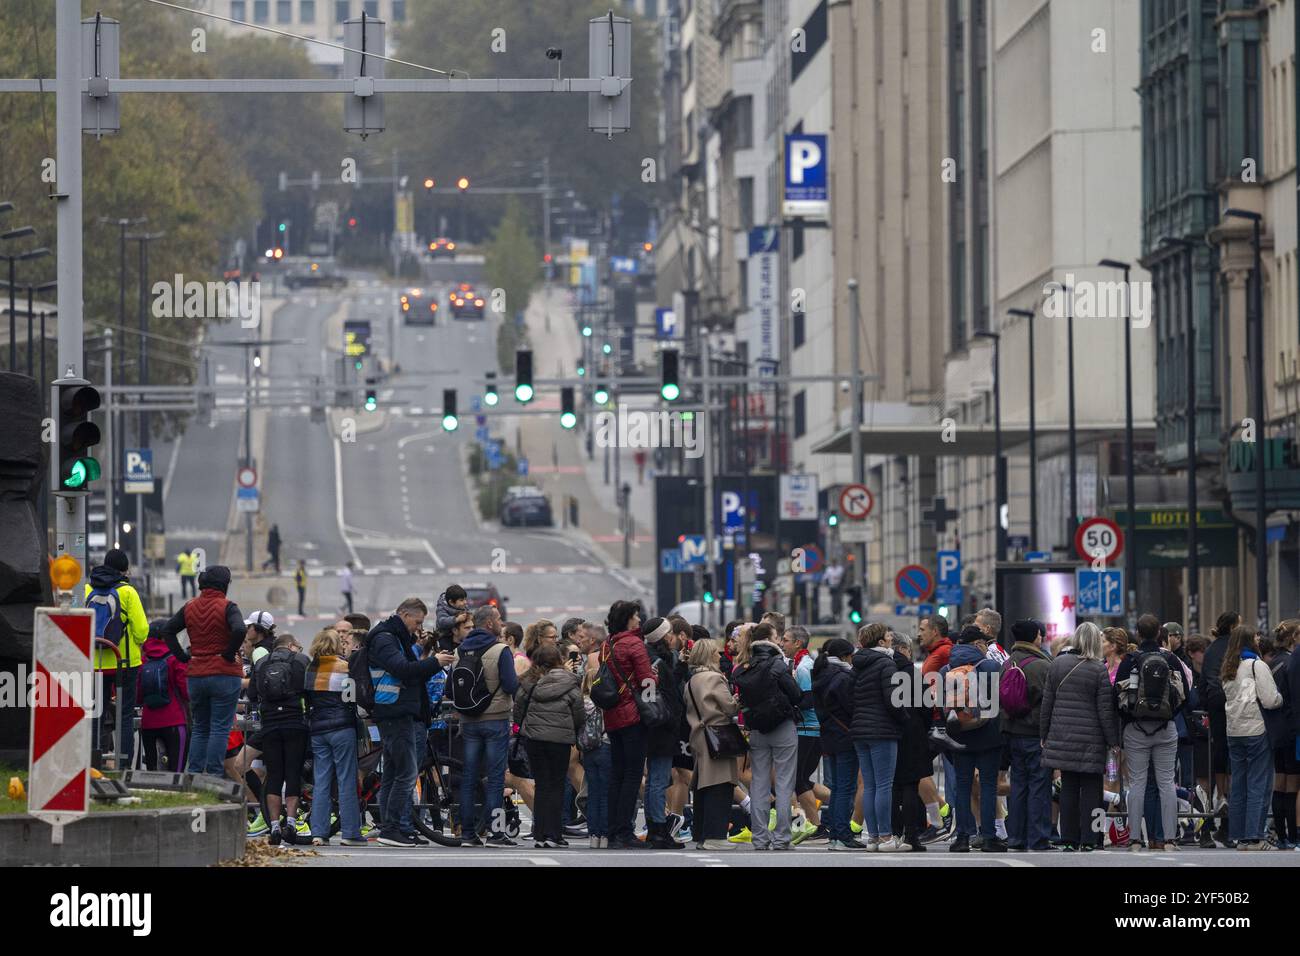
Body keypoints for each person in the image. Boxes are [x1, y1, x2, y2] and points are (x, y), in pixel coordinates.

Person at [367, 597, 445, 847]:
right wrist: (435, 662)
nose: (418, 627)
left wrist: (420, 649)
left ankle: (394, 827)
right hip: (393, 711)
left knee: (392, 773)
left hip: (398, 711)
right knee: (407, 772)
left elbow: (407, 666)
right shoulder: (384, 637)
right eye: (417, 622)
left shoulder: (396, 637)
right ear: (404, 614)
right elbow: (403, 669)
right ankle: (391, 829)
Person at [157, 565, 246, 776]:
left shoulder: (189, 607)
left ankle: (195, 774)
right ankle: (214, 776)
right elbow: (240, 629)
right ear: (224, 585)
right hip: (224, 674)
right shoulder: (228, 607)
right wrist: (228, 653)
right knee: (219, 728)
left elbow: (168, 630)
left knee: (200, 727)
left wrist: (182, 657)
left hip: (196, 674)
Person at [1041, 622, 1119, 851]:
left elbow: (1048, 704)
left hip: (1063, 735)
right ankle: (1090, 838)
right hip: (1091, 739)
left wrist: (1043, 734)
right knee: (1092, 790)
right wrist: (1112, 740)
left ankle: (1068, 839)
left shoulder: (1057, 664)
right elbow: (1105, 710)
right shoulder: (1098, 669)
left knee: (1068, 788)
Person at [1114, 613, 1187, 851]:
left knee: (1137, 784)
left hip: (1136, 729)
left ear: (1138, 633)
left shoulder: (1130, 660)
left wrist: (1130, 720)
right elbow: (1184, 693)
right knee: (1167, 782)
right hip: (1166, 729)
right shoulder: (1171, 659)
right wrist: (1169, 715)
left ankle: (1135, 838)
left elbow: (1118, 696)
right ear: (1159, 634)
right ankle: (1169, 839)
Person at [453, 603, 520, 847]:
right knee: (495, 779)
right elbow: (512, 685)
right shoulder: (500, 649)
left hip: (468, 721)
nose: (502, 624)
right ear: (489, 623)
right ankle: (495, 833)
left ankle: (467, 833)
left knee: (469, 777)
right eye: (499, 620)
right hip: (495, 721)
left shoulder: (460, 650)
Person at [733, 621, 802, 850]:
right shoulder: (777, 664)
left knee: (759, 784)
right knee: (783, 784)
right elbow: (796, 695)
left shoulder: (745, 665)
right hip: (782, 727)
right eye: (776, 637)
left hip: (757, 729)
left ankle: (760, 838)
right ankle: (782, 838)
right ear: (769, 640)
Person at [941, 623, 1005, 852]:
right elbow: (1001, 700)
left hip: (959, 736)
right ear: (978, 644)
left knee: (963, 786)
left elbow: (942, 707)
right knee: (988, 786)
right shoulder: (991, 666)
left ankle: (962, 838)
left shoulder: (946, 667)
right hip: (988, 735)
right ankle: (988, 837)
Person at [85, 548, 150, 770]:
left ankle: (94, 763)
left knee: (96, 715)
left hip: (95, 663)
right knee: (124, 715)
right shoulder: (128, 592)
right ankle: (123, 765)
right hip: (125, 663)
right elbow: (142, 630)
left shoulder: (86, 588)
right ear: (124, 570)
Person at [514, 643, 584, 848]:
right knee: (556, 786)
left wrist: (527, 726)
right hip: (560, 740)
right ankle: (554, 834)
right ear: (559, 661)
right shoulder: (569, 682)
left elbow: (518, 711)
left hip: (534, 740)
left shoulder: (528, 683)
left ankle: (540, 834)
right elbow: (579, 713)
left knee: (542, 785)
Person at [599, 600, 657, 849]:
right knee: (633, 774)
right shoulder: (634, 644)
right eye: (635, 616)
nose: (639, 620)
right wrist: (656, 679)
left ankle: (613, 830)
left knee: (617, 774)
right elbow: (646, 681)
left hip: (612, 716)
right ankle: (624, 830)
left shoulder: (607, 644)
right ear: (627, 619)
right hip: (633, 716)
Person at [1221, 624, 1284, 850]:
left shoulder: (1228, 667)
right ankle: (1255, 836)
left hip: (1234, 731)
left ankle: (1239, 836)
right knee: (1259, 784)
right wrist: (1280, 698)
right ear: (1250, 641)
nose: (1259, 639)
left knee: (1238, 785)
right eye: (1256, 637)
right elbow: (1269, 699)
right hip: (1257, 729)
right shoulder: (1257, 665)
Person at [305, 627, 366, 847]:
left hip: (318, 730)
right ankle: (350, 832)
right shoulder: (345, 667)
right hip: (342, 728)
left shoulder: (311, 668)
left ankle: (319, 833)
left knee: (321, 781)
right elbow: (352, 699)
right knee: (346, 780)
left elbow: (308, 699)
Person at [849, 623, 908, 852]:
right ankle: (885, 837)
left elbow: (849, 696)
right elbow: (894, 700)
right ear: (880, 643)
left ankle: (872, 837)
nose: (891, 640)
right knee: (884, 785)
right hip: (882, 730)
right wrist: (904, 718)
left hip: (859, 730)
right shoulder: (886, 663)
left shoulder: (857, 665)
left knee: (871, 785)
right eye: (888, 637)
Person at [684, 638, 742, 851]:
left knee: (703, 787)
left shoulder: (692, 680)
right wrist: (738, 698)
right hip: (718, 736)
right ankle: (715, 836)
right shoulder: (715, 679)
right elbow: (730, 708)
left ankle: (700, 833)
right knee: (721, 785)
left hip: (699, 736)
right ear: (709, 655)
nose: (721, 655)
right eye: (717, 652)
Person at [1002, 619, 1054, 852]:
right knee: (1039, 787)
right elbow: (1049, 703)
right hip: (1035, 734)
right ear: (1035, 637)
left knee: (1019, 786)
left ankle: (1016, 837)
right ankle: (1038, 838)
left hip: (1013, 733)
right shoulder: (1042, 666)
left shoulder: (1006, 663)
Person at [254, 633, 310, 845]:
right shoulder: (301, 661)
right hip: (295, 723)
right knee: (293, 773)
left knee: (275, 775)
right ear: (290, 645)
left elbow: (253, 693)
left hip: (269, 724)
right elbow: (310, 690)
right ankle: (293, 823)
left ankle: (275, 826)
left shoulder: (261, 663)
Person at [812, 637, 860, 849]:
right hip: (844, 736)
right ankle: (841, 834)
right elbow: (850, 707)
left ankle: (835, 833)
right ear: (845, 656)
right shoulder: (842, 677)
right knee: (845, 787)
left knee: (837, 786)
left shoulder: (821, 673)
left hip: (829, 736)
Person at [781, 625, 825, 843]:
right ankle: (822, 820)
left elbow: (808, 701)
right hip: (805, 729)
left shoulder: (805, 667)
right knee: (801, 780)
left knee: (798, 780)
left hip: (809, 729)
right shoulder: (799, 664)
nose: (782, 643)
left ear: (798, 643)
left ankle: (817, 826)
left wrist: (788, 700)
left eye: (786, 640)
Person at [1200, 610, 1240, 844]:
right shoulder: (1236, 649)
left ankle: (1221, 794)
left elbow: (1204, 680)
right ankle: (1229, 798)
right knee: (1234, 753)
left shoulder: (1211, 649)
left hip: (1214, 703)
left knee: (1219, 748)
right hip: (1233, 702)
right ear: (1234, 627)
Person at [136, 620, 189, 773]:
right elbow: (185, 691)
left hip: (148, 723)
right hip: (174, 721)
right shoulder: (175, 658)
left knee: (152, 771)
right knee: (176, 772)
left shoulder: (142, 660)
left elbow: (138, 696)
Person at [1270, 620, 1300, 848]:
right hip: (1290, 728)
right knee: (1292, 784)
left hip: (1274, 729)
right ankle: (1293, 834)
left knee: (1279, 781)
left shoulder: (1271, 663)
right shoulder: (1291, 662)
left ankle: (1280, 834)